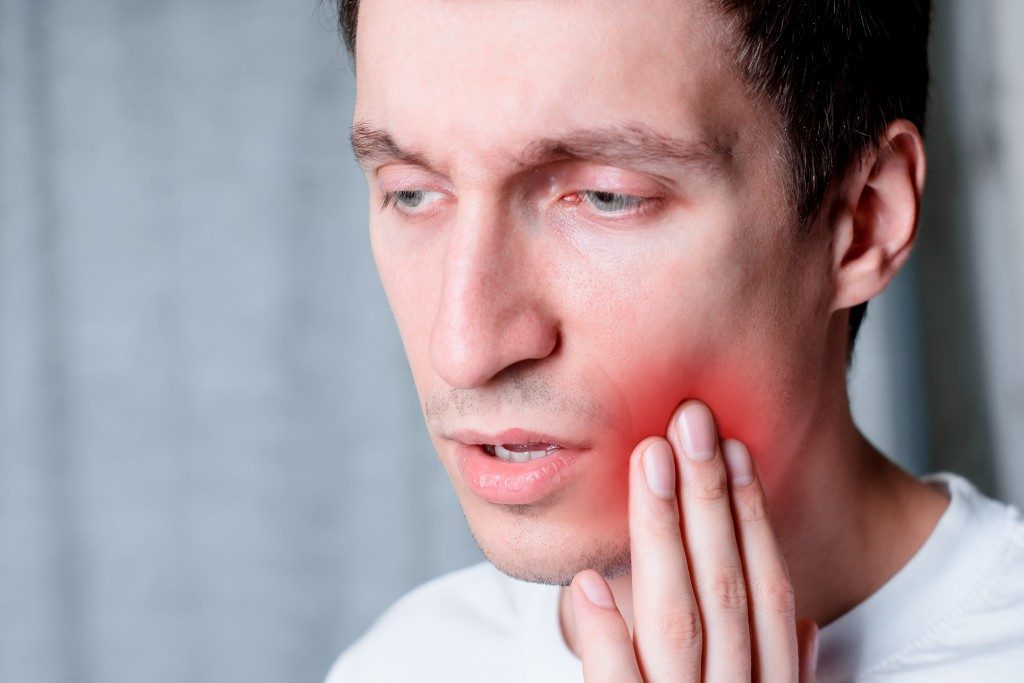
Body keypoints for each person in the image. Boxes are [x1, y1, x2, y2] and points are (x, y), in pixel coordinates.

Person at [324, 0, 1024, 680]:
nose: (463, 348)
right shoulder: (398, 662)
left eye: (607, 197)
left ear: (862, 222)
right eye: (411, 193)